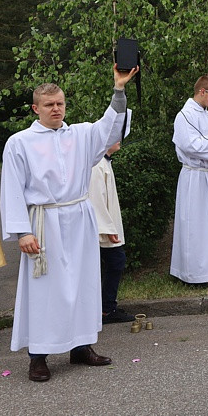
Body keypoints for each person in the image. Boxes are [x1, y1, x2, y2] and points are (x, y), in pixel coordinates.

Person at [0, 64, 137, 382]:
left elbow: (111, 129)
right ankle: (38, 356)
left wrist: (119, 89)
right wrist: (22, 232)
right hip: (44, 223)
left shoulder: (80, 135)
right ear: (36, 108)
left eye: (60, 103)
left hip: (79, 220)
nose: (56, 109)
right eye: (49, 104)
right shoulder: (20, 142)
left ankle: (81, 346)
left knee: (82, 284)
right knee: (45, 290)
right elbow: (12, 189)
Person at [170, 75, 208, 286]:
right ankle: (194, 274)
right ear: (202, 92)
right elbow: (190, 145)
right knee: (195, 224)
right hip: (195, 177)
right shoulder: (185, 116)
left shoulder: (207, 116)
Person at [88, 139, 135, 324]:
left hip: (104, 226)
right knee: (115, 261)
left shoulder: (102, 162)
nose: (119, 140)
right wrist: (106, 228)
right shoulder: (97, 164)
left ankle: (104, 308)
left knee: (113, 262)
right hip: (100, 228)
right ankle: (106, 309)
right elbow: (96, 198)